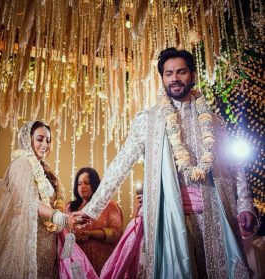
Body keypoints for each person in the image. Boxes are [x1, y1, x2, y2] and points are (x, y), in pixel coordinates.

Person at [74, 48, 257, 278]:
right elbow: (121, 163)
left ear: (192, 75)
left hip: (214, 217)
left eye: (181, 72)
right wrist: (92, 209)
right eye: (168, 73)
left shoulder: (213, 121)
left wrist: (245, 206)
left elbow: (235, 165)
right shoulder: (148, 121)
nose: (174, 79)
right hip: (170, 219)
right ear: (162, 78)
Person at [0, 121, 72, 278]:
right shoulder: (21, 164)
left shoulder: (46, 172)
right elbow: (31, 202)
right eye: (40, 139)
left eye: (48, 140)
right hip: (26, 240)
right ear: (28, 139)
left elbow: (54, 202)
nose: (45, 144)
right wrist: (61, 218)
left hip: (47, 243)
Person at [66, 167, 123, 275]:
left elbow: (117, 233)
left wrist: (91, 234)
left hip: (101, 264)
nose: (82, 186)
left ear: (95, 184)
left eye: (86, 183)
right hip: (75, 266)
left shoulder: (108, 205)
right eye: (79, 183)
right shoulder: (70, 207)